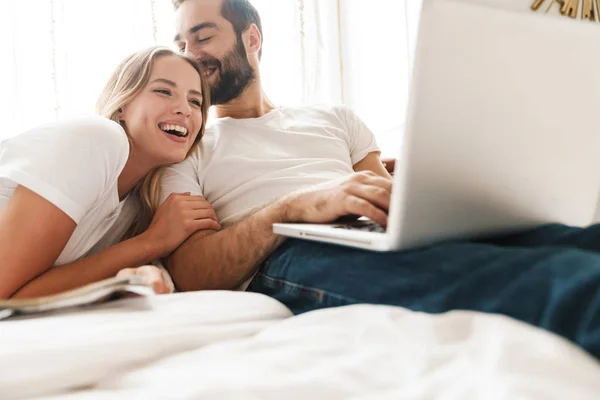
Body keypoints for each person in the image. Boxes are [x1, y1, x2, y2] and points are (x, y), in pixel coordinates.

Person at [164, 0, 600, 359]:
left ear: (252, 38)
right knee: (563, 280)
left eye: (202, 36)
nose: (189, 52)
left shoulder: (334, 117)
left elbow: (387, 200)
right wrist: (292, 206)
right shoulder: (185, 144)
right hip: (291, 255)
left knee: (576, 239)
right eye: (181, 42)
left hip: (364, 231)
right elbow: (191, 273)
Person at [0, 46, 220, 300]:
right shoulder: (98, 140)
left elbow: (29, 291)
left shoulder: (137, 203)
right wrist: (151, 241)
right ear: (122, 107)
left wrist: (131, 276)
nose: (185, 109)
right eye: (163, 91)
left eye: (195, 101)